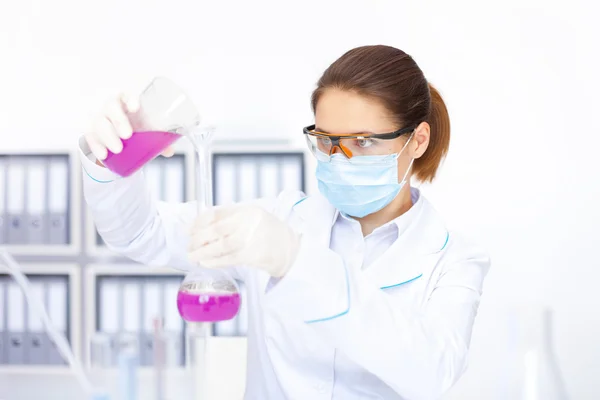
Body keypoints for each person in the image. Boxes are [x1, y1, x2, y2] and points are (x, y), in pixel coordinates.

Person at [81, 45, 490, 400]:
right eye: (327, 141)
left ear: (417, 140)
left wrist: (296, 261)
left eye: (362, 142)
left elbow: (432, 371)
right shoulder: (278, 221)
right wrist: (111, 161)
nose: (338, 158)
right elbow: (140, 233)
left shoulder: (455, 259)